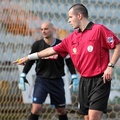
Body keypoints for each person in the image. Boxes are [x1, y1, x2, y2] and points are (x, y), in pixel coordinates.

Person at [13, 3, 120, 120]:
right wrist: (29, 57)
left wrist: (110, 66)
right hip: (84, 80)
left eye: (70, 17)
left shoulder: (99, 29)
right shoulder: (72, 38)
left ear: (79, 16)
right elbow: (51, 50)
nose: (69, 21)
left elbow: (118, 45)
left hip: (100, 79)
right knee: (87, 117)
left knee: (94, 116)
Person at [17, 22, 79, 120]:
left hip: (57, 81)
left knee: (61, 110)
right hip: (42, 80)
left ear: (53, 29)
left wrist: (74, 76)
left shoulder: (61, 44)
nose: (43, 31)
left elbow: (69, 61)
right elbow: (30, 61)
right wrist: (23, 75)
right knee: (36, 108)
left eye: (46, 29)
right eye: (41, 29)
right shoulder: (37, 45)